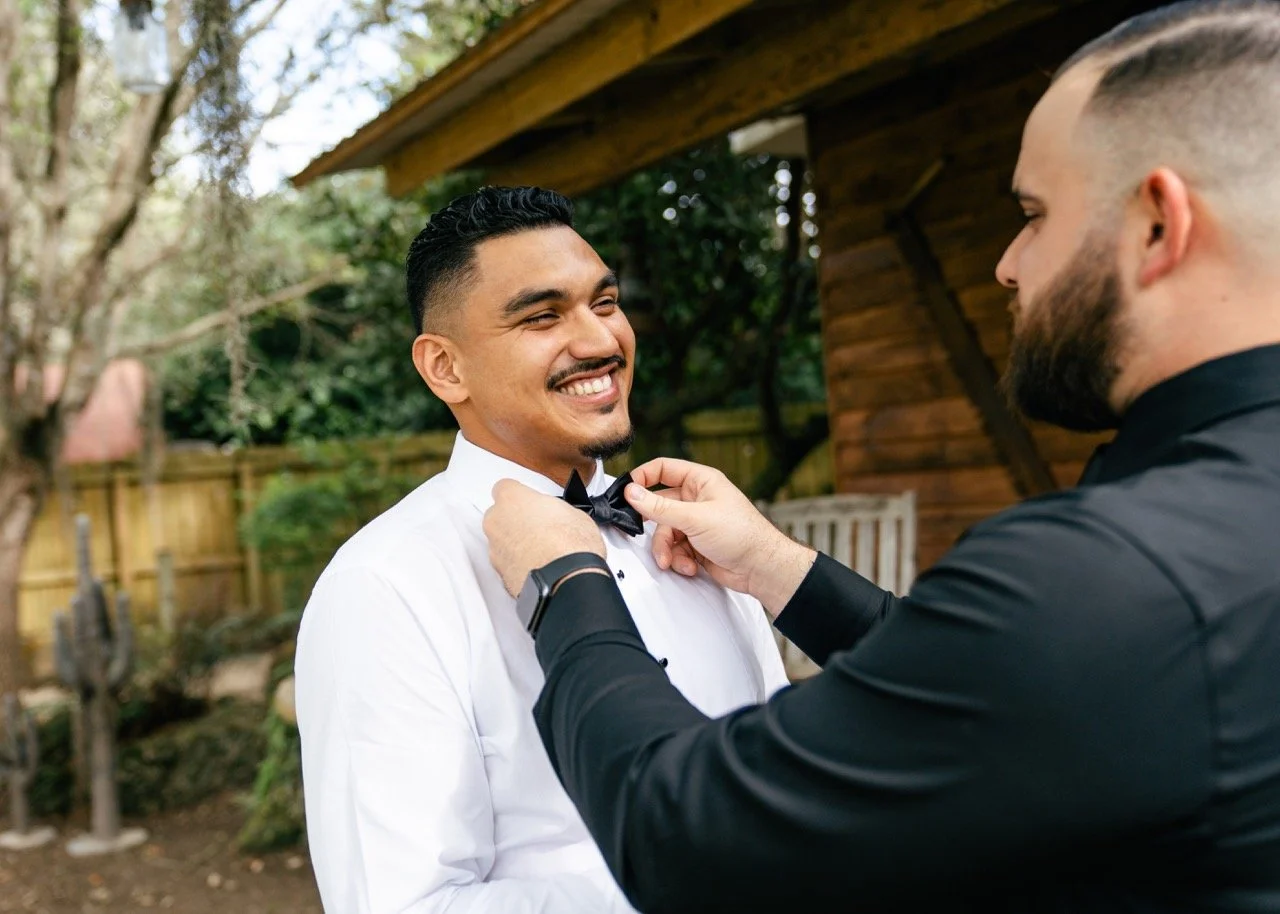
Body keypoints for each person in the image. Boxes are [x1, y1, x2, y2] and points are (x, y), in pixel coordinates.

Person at [481, 2, 1280, 911]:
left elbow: (691, 839)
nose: (1009, 266)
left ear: (1157, 225)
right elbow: (1020, 693)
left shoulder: (1114, 573)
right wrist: (783, 570)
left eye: (1034, 215)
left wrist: (565, 585)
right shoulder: (1205, 536)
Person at [293, 186, 789, 913]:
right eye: (543, 316)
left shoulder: (701, 532)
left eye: (606, 302)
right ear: (444, 368)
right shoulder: (382, 587)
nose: (599, 342)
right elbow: (401, 904)